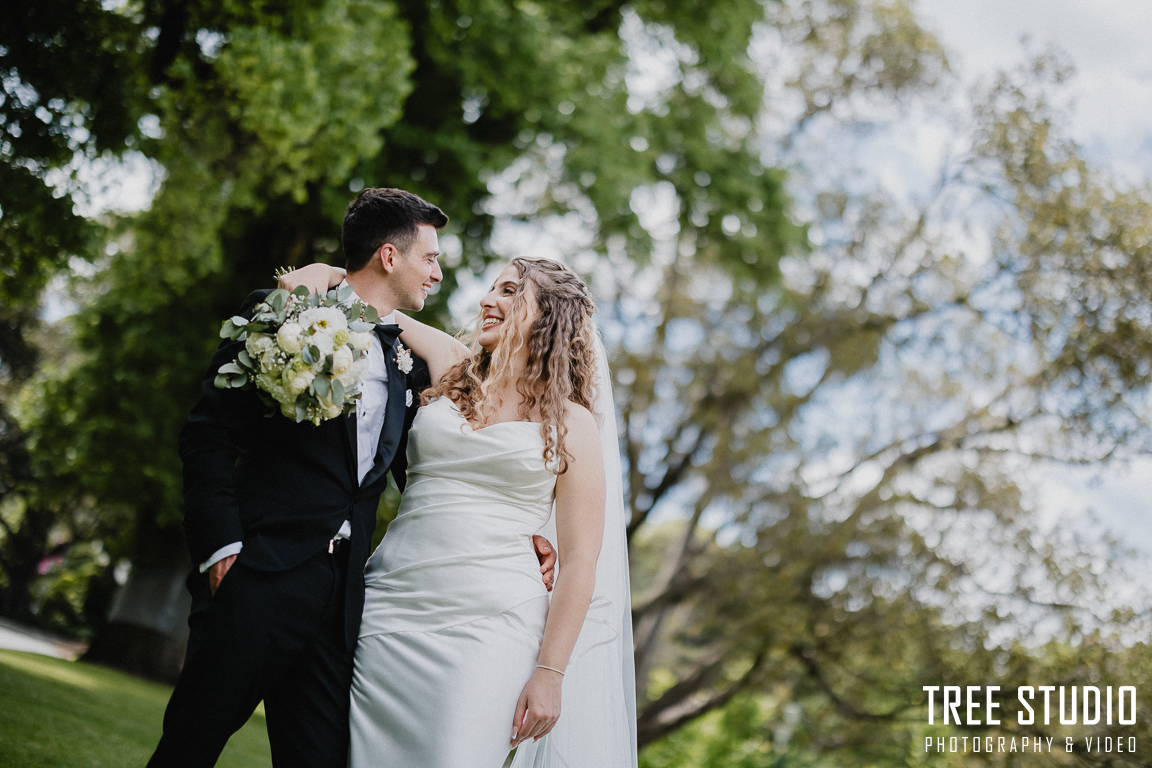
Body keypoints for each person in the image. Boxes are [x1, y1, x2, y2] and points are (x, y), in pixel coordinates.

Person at [147, 187, 556, 768]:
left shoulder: (409, 364)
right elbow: (207, 436)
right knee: (189, 747)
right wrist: (221, 547)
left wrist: (517, 532)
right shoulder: (281, 315)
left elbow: (439, 470)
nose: (438, 274)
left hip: (344, 604)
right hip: (256, 574)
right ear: (390, 256)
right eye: (430, 258)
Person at [283, 256, 638, 767]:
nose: (488, 299)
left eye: (510, 291)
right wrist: (325, 272)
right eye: (492, 288)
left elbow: (582, 560)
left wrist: (550, 672)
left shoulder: (571, 422)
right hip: (389, 607)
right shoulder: (453, 368)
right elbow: (372, 305)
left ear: (549, 316)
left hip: (492, 627)